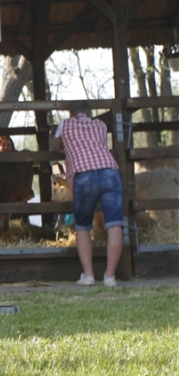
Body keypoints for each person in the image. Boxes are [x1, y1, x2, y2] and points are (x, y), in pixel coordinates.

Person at [52, 102, 123, 287]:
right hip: (110, 171)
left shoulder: (65, 124)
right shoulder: (100, 125)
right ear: (89, 113)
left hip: (84, 175)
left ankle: (89, 275)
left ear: (72, 112)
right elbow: (98, 145)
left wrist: (65, 147)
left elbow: (56, 146)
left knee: (83, 226)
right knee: (114, 224)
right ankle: (110, 277)